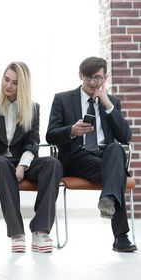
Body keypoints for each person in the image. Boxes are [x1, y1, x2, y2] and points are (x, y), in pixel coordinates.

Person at [46, 56, 137, 252]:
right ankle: (121, 238)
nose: (94, 83)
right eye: (89, 77)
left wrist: (107, 105)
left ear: (106, 78)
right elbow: (50, 135)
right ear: (80, 76)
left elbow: (125, 136)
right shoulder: (62, 99)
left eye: (99, 78)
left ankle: (108, 199)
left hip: (104, 156)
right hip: (76, 157)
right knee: (117, 172)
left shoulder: (111, 102)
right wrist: (72, 130)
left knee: (115, 149)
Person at [0, 62, 62, 253]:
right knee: (0, 163)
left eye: (14, 82)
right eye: (6, 79)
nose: (8, 85)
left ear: (23, 86)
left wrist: (22, 165)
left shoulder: (33, 108)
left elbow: (33, 142)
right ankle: (16, 233)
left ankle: (40, 232)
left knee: (53, 164)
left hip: (21, 162)